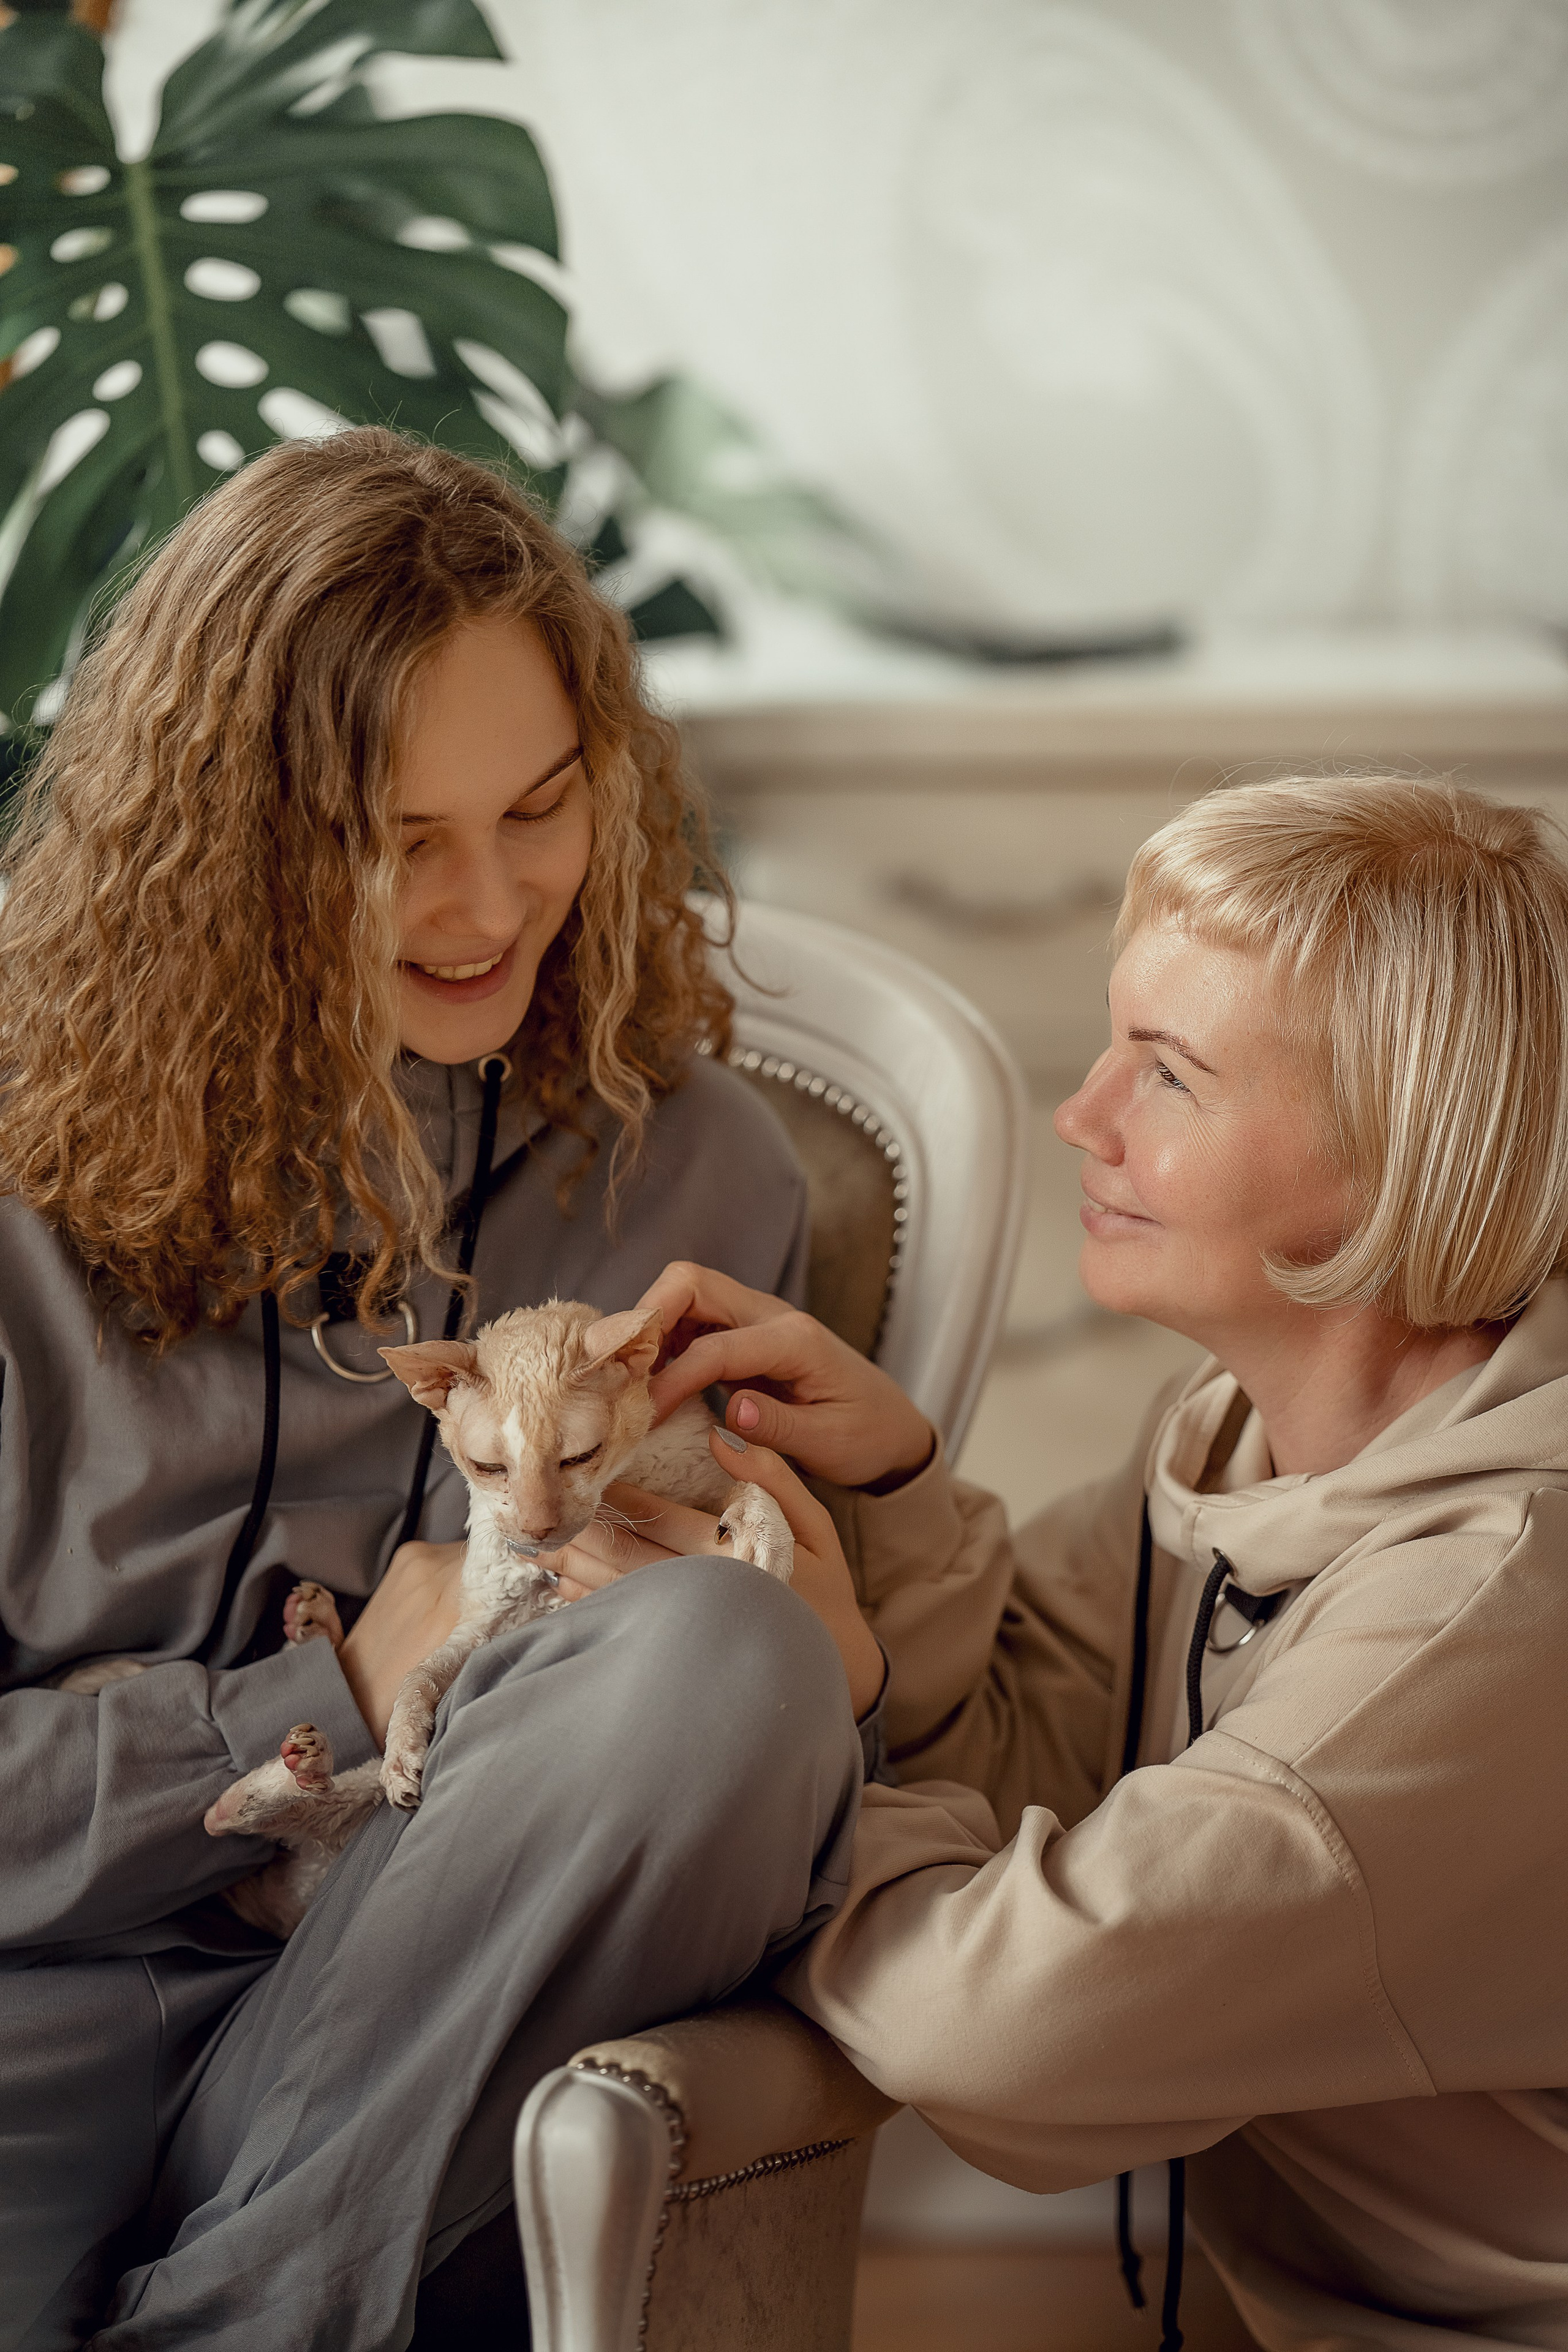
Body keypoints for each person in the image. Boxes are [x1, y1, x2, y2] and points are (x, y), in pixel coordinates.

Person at [0, 429, 878, 2352]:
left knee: (735, 1661)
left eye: (544, 808)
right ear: (225, 850)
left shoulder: (696, 1183)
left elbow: (691, 1787)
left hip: (444, 2000)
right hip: (34, 2012)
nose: (491, 907)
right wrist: (316, 1693)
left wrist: (831, 1646)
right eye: (401, 843)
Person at [597, 776, 1568, 2350]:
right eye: (1113, 1040)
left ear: (1392, 1157)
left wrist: (811, 1719)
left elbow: (1005, 2023)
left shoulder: (1484, 1617)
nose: (1083, 1113)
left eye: (1169, 1076)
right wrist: (897, 1491)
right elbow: (1050, 1754)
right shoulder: (1237, 1433)